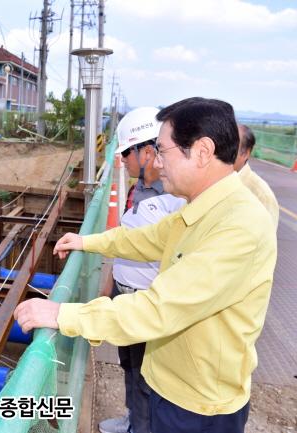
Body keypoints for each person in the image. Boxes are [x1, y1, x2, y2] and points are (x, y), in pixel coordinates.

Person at [13, 97, 277, 433]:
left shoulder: (238, 226)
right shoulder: (202, 209)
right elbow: (145, 239)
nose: (158, 161)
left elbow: (158, 309)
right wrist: (87, 242)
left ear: (202, 152)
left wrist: (63, 314)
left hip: (197, 407)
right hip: (169, 383)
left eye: (163, 150)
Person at [98, 107, 185, 433]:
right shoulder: (138, 188)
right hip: (126, 294)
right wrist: (111, 284)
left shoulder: (174, 198)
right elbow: (127, 240)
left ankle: (143, 427)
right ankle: (133, 419)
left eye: (126, 153)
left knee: (147, 375)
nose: (123, 160)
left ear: (147, 152)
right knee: (130, 365)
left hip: (148, 302)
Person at [234, 124, 279, 230]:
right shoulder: (210, 180)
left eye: (230, 147)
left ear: (246, 153)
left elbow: (266, 236)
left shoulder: (261, 195)